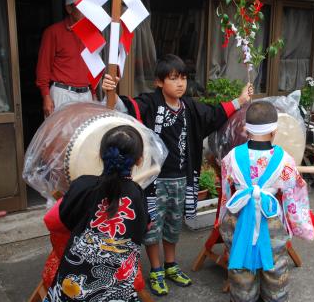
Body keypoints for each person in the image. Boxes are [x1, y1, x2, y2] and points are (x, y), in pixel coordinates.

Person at [102, 54, 253, 296]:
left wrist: (241, 100)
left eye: (183, 78)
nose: (180, 83)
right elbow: (122, 109)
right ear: (159, 82)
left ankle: (171, 265)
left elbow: (214, 114)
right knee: (152, 226)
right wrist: (110, 91)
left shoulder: (190, 107)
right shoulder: (150, 103)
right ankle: (156, 269)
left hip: (181, 178)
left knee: (173, 225)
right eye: (173, 78)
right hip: (153, 181)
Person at [218, 101, 314, 302]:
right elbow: (293, 197)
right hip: (270, 220)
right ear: (274, 131)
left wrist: (221, 220)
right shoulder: (285, 161)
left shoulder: (231, 157)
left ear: (246, 129)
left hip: (237, 219)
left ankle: (243, 296)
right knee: (275, 268)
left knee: (240, 267)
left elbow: (226, 194)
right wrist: (298, 226)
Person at [43, 125, 150, 301]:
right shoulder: (137, 194)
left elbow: (52, 221)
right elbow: (144, 228)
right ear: (139, 160)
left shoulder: (83, 185)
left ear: (101, 155)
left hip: (72, 286)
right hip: (117, 291)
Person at [36, 0, 93, 117]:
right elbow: (43, 67)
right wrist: (45, 95)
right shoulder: (53, 32)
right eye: (81, 6)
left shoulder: (91, 34)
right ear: (69, 9)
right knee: (61, 135)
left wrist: (93, 92)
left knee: (85, 134)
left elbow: (93, 66)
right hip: (62, 93)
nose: (85, 11)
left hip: (86, 94)